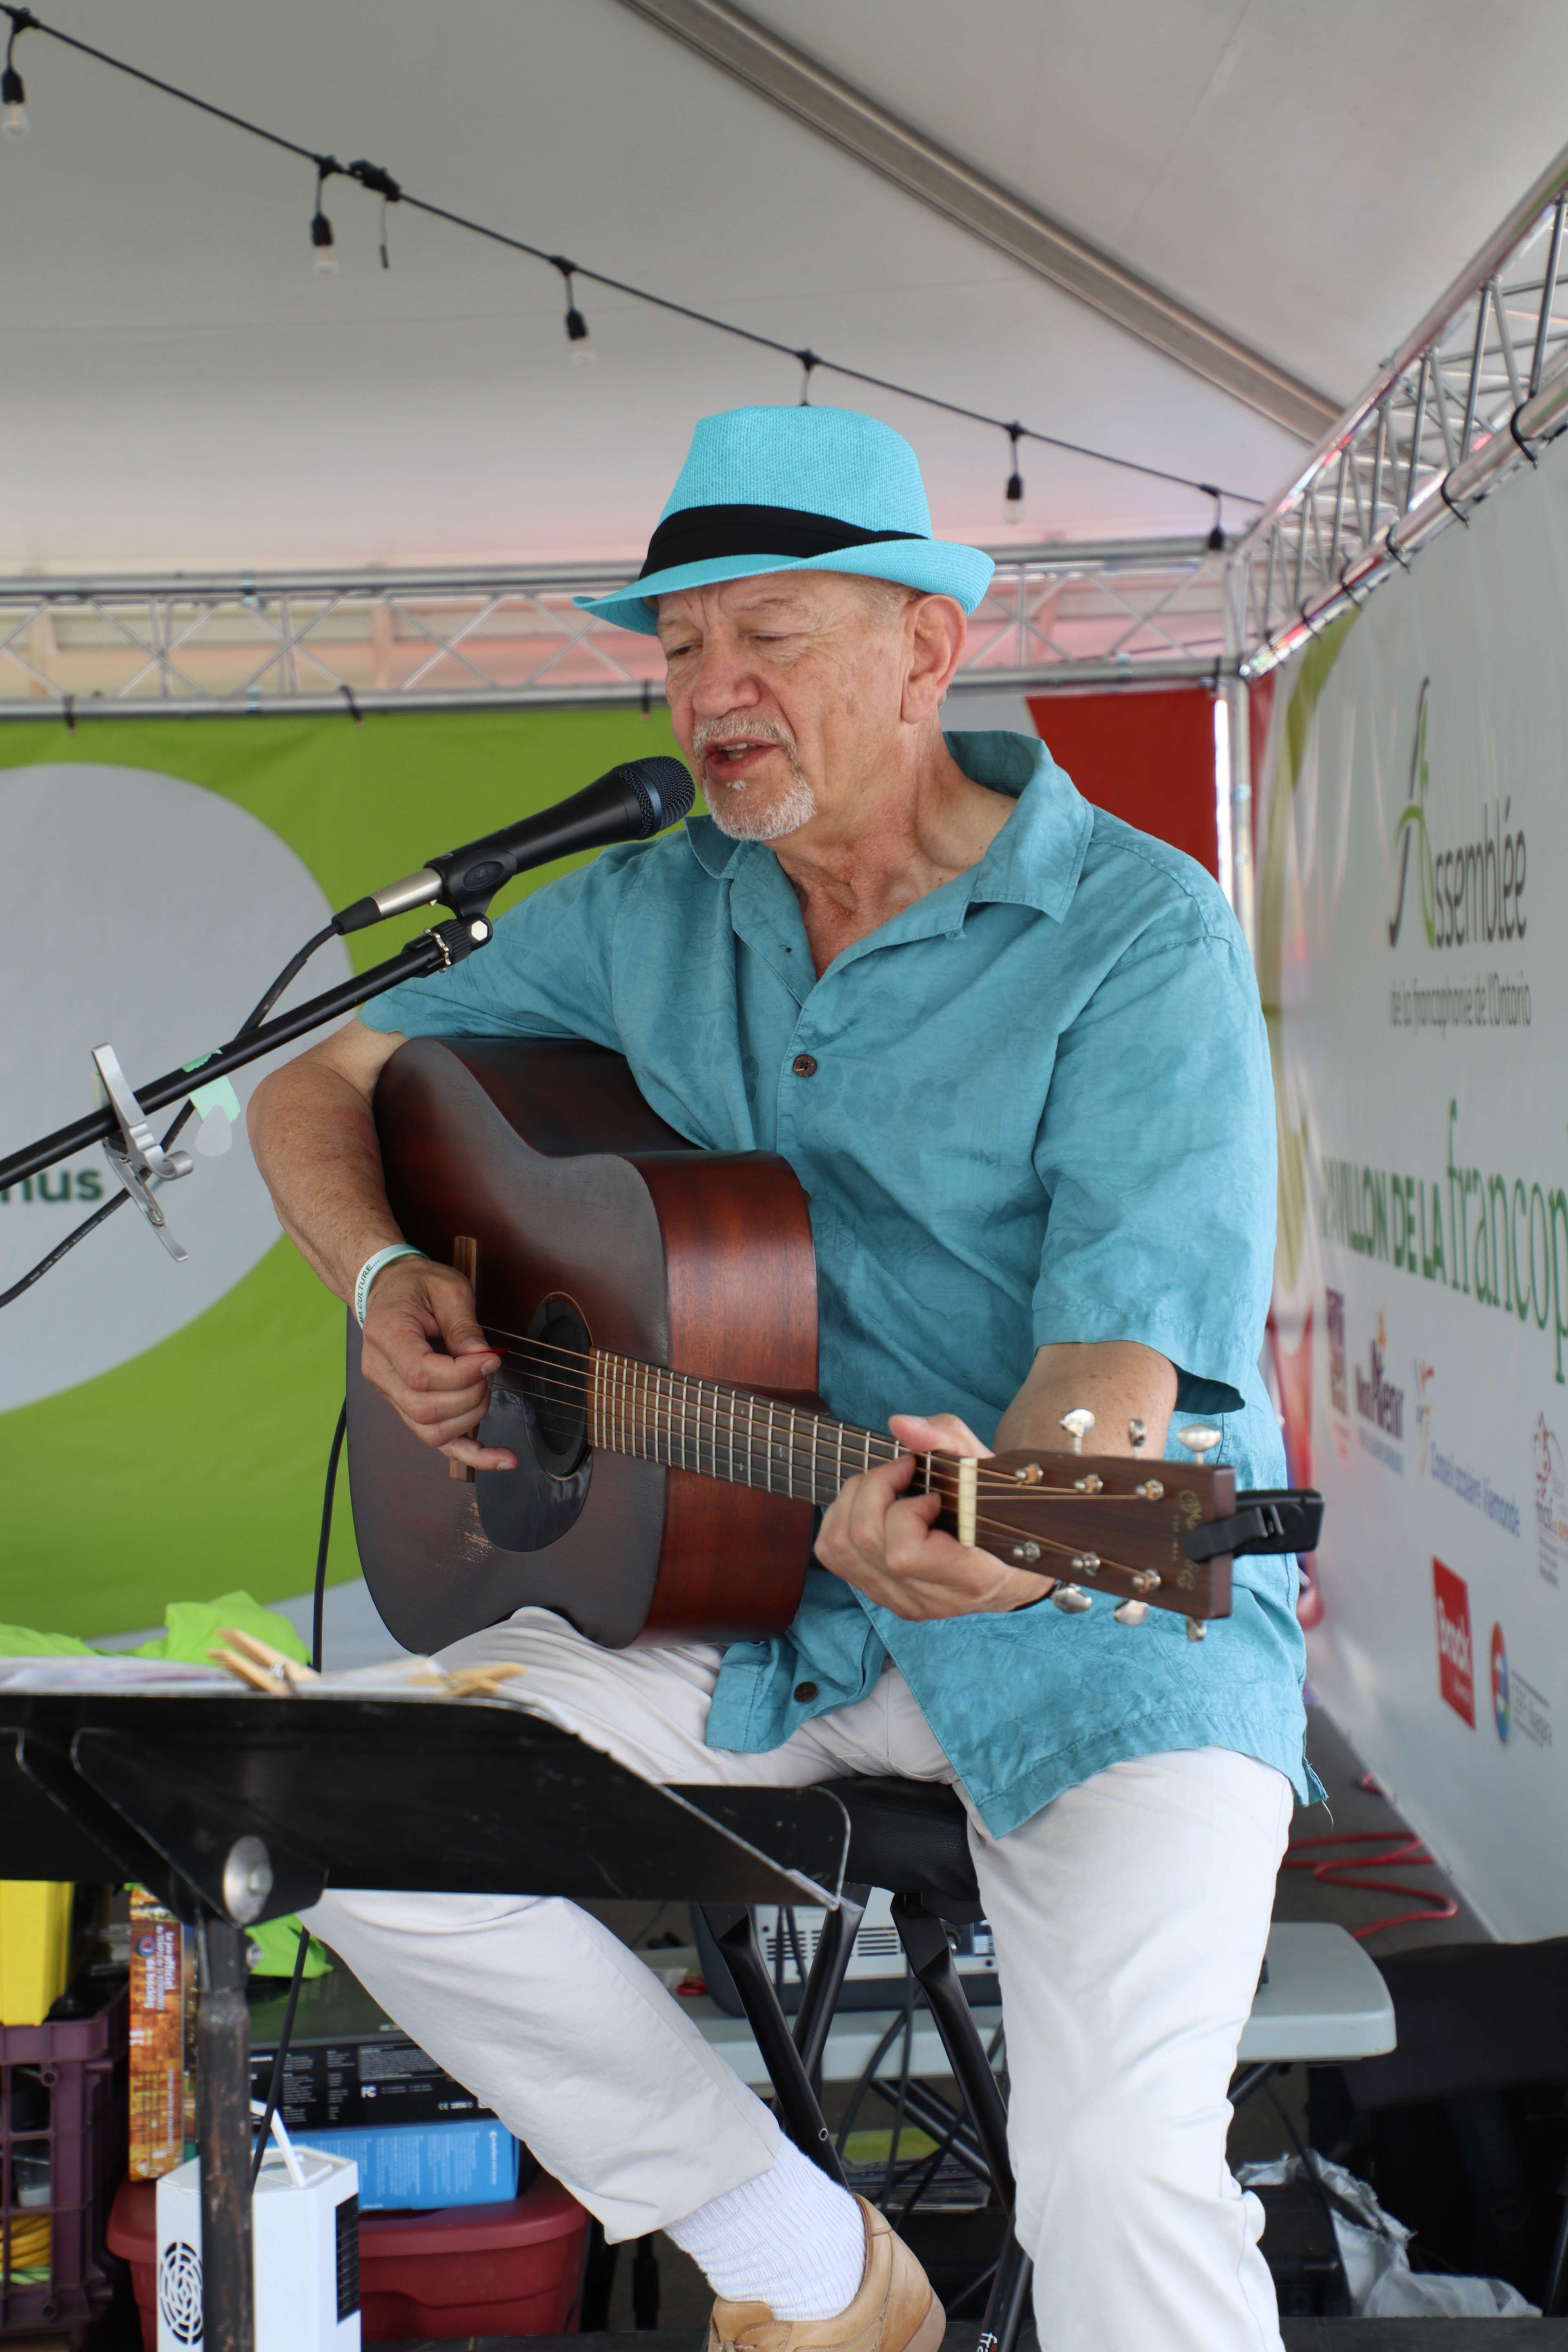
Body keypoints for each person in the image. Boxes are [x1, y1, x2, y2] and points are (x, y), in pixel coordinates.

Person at [249, 404, 1317, 2352]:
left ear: (928, 647)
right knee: (355, 1808)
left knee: (1120, 2168)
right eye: (678, 649)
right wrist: (392, 1267)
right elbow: (313, 1082)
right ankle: (811, 2266)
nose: (712, 694)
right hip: (771, 1612)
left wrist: (1003, 1530)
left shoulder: (1133, 935)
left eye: (771, 638)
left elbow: (1109, 1388)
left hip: (1110, 1613)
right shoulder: (654, 911)